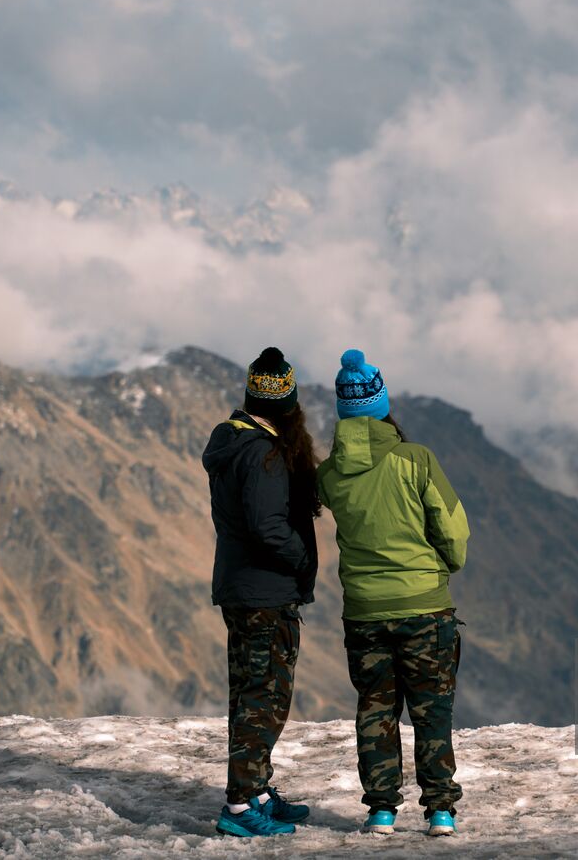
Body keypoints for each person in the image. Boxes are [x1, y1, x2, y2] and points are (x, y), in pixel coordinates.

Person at [317, 349, 469, 837]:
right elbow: (453, 531)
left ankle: (381, 809)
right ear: (382, 403)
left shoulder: (330, 475)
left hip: (363, 612)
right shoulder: (416, 460)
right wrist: (441, 568)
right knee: (432, 709)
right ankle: (440, 810)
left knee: (376, 709)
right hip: (425, 607)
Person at [202, 347, 319, 838]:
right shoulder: (264, 453)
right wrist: (303, 559)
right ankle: (238, 806)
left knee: (251, 692)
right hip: (264, 592)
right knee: (263, 698)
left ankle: (258, 791)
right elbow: (267, 526)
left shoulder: (232, 440)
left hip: (243, 586)